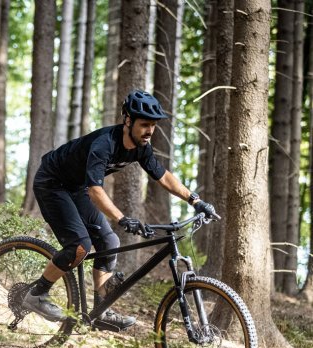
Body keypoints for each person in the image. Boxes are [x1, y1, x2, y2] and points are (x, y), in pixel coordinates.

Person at [22, 89, 216, 330]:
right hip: (52, 182)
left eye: (153, 126)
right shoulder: (104, 144)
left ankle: (101, 310)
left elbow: (163, 176)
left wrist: (195, 201)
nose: (149, 131)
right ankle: (36, 294)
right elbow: (95, 190)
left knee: (109, 242)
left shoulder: (141, 147)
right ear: (128, 120)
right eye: (145, 124)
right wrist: (122, 218)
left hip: (75, 186)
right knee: (80, 246)